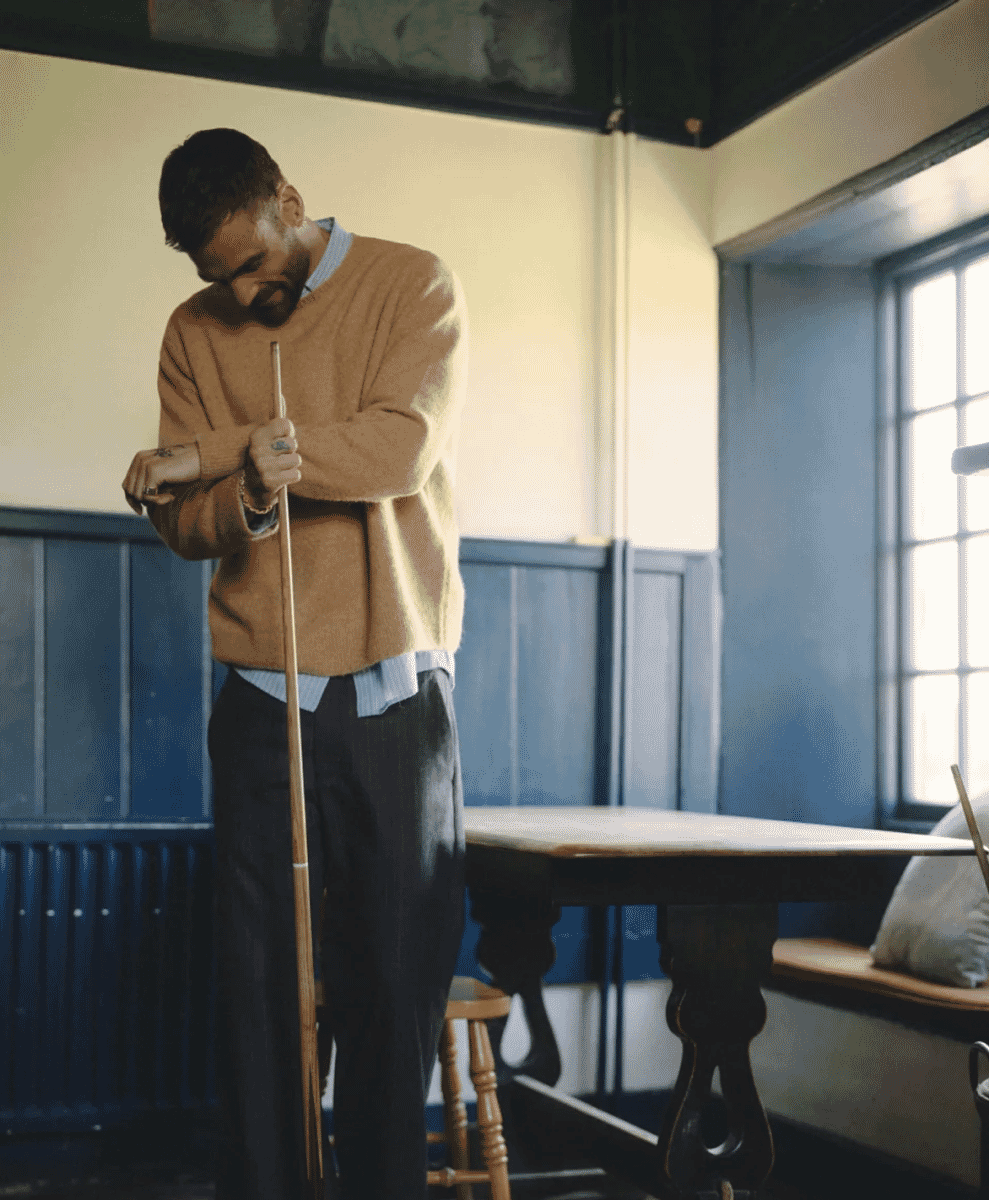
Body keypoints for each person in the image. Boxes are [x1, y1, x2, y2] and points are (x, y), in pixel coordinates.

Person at [121, 128, 468, 1200]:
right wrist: (245, 490)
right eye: (216, 275)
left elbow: (396, 450)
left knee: (395, 979)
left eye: (252, 261)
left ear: (290, 200)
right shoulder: (193, 329)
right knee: (264, 988)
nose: (239, 290)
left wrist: (214, 447)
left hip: (396, 699)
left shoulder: (411, 281)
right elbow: (183, 526)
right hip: (262, 699)